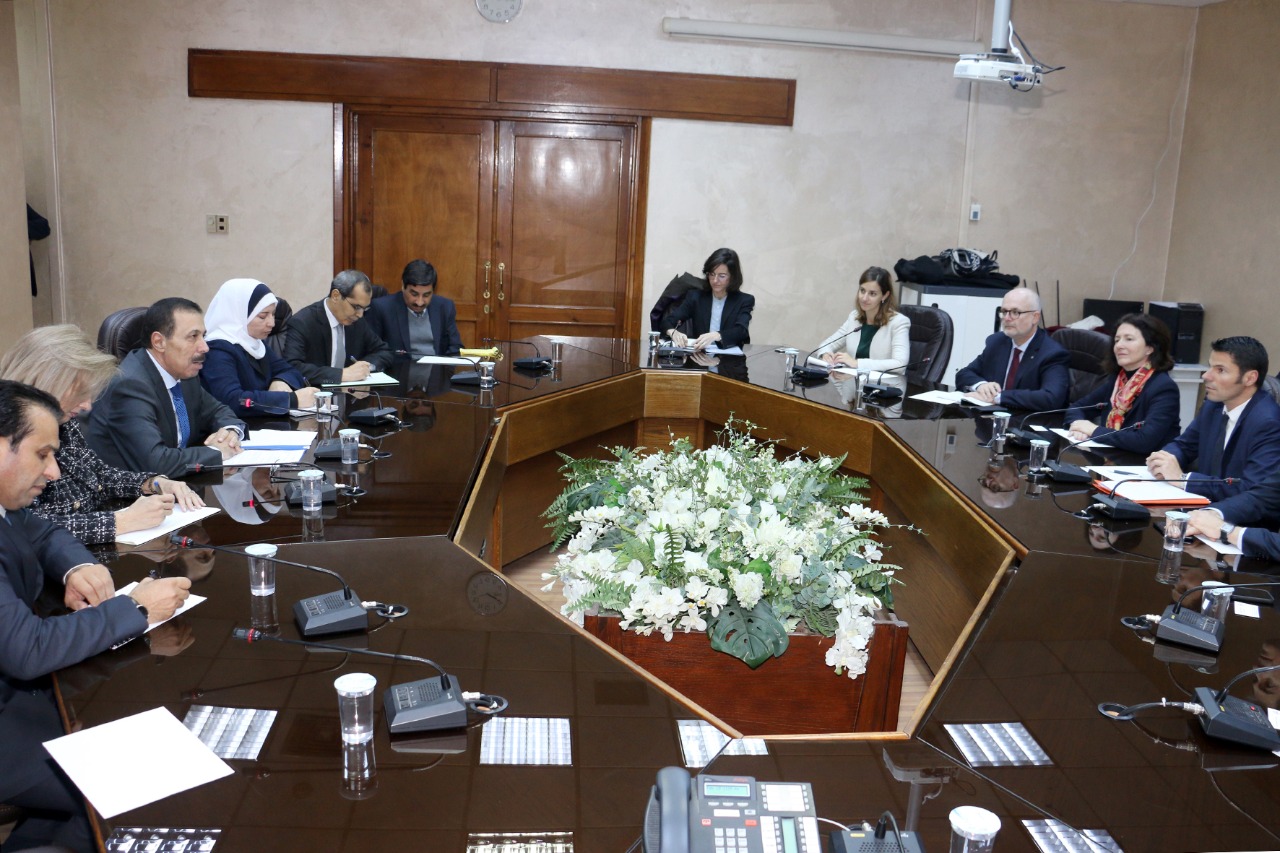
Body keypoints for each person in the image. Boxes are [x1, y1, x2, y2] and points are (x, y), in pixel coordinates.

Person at [0, 380, 190, 850]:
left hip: (21, 698)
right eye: (43, 454)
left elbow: (42, 532)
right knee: (138, 787)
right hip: (9, 715)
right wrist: (137, 608)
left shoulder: (9, 505)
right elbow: (27, 649)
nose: (54, 471)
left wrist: (77, 566)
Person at [0, 325, 204, 545]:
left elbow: (98, 475)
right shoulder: (12, 432)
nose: (87, 405)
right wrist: (121, 521)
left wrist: (153, 483)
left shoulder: (63, 423)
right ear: (47, 381)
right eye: (81, 392)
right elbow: (25, 526)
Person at [87, 297, 245, 478]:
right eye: (193, 337)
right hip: (131, 491)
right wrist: (216, 452)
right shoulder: (129, 386)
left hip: (180, 484)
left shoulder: (184, 373)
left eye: (203, 336)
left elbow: (218, 411)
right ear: (159, 342)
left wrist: (230, 433)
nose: (204, 347)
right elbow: (155, 463)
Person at [1147, 336, 1280, 500]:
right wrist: (1164, 460)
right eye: (1210, 367)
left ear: (1249, 378)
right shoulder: (1213, 406)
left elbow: (1251, 489)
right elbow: (1184, 445)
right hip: (1200, 503)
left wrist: (1183, 479)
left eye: (1220, 370)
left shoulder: (1269, 423)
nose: (1206, 376)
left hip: (1236, 513)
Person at [201, 278, 319, 417]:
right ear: (239, 314)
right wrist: (291, 400)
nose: (272, 323)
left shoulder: (255, 343)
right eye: (263, 316)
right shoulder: (217, 350)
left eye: (273, 314)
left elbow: (290, 370)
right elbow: (233, 400)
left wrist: (280, 381)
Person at [1064, 313, 1180, 454]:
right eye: (1117, 340)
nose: (1119, 345)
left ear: (1150, 348)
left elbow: (1144, 441)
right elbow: (1076, 408)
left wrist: (1093, 430)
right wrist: (1078, 426)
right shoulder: (1119, 380)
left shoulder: (1163, 388)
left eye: (1129, 339)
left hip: (1146, 463)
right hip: (1113, 457)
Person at [954, 288, 1070, 410]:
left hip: (1026, 419)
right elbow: (963, 374)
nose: (1007, 318)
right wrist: (981, 386)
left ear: (1035, 317)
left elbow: (1051, 397)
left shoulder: (1052, 353)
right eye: (1004, 312)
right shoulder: (997, 342)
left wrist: (998, 397)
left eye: (1015, 312)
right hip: (991, 416)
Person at [283, 269, 393, 386]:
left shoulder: (357, 322)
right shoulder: (303, 322)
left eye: (364, 309)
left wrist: (365, 367)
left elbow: (384, 351)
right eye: (356, 307)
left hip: (351, 393)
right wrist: (341, 375)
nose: (360, 314)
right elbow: (292, 367)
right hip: (315, 393)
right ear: (336, 296)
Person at [814, 266, 910, 372]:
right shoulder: (854, 318)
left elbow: (900, 364)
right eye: (862, 291)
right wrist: (826, 354)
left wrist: (857, 363)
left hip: (884, 381)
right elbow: (826, 345)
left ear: (885, 295)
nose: (864, 298)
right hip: (853, 380)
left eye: (872, 294)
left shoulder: (899, 322)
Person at [367, 259, 463, 359]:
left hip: (436, 368)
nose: (419, 302)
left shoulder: (444, 307)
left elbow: (455, 349)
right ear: (403, 286)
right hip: (398, 368)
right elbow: (373, 351)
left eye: (426, 295)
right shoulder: (381, 308)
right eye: (414, 294)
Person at [662, 248, 754, 352]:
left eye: (722, 276)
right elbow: (667, 321)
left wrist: (717, 335)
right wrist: (672, 332)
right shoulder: (696, 297)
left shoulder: (744, 300)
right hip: (700, 355)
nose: (715, 280)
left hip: (729, 357)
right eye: (712, 274)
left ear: (732, 277)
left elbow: (741, 331)